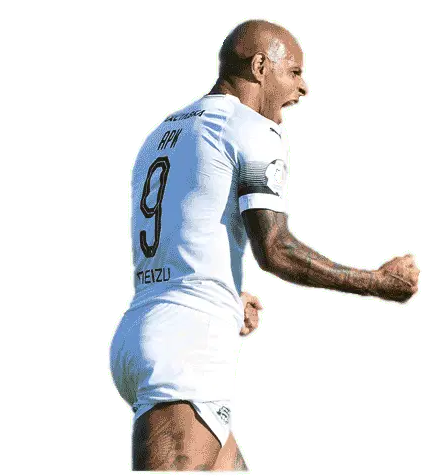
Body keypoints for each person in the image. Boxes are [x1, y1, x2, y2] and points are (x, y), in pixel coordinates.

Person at [107, 17, 420, 472]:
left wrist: (227, 296)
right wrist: (377, 283)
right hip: (186, 349)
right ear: (259, 67)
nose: (304, 87)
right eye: (294, 72)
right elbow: (275, 248)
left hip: (150, 333)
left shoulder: (163, 133)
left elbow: (183, 232)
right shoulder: (250, 128)